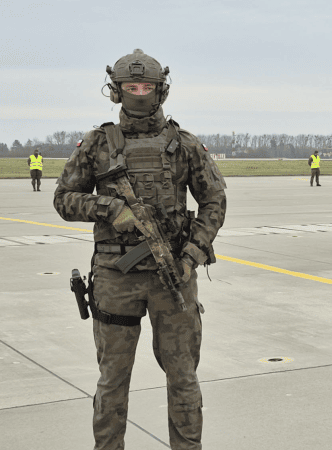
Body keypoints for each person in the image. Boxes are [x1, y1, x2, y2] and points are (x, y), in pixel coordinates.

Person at [53, 49, 227, 450]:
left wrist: (191, 256)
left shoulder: (183, 144)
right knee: (113, 378)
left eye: (146, 86)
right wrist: (108, 207)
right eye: (131, 87)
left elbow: (214, 201)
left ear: (160, 90)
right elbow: (64, 199)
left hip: (174, 280)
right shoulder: (97, 144)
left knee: (183, 377)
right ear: (116, 91)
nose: (139, 94)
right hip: (117, 278)